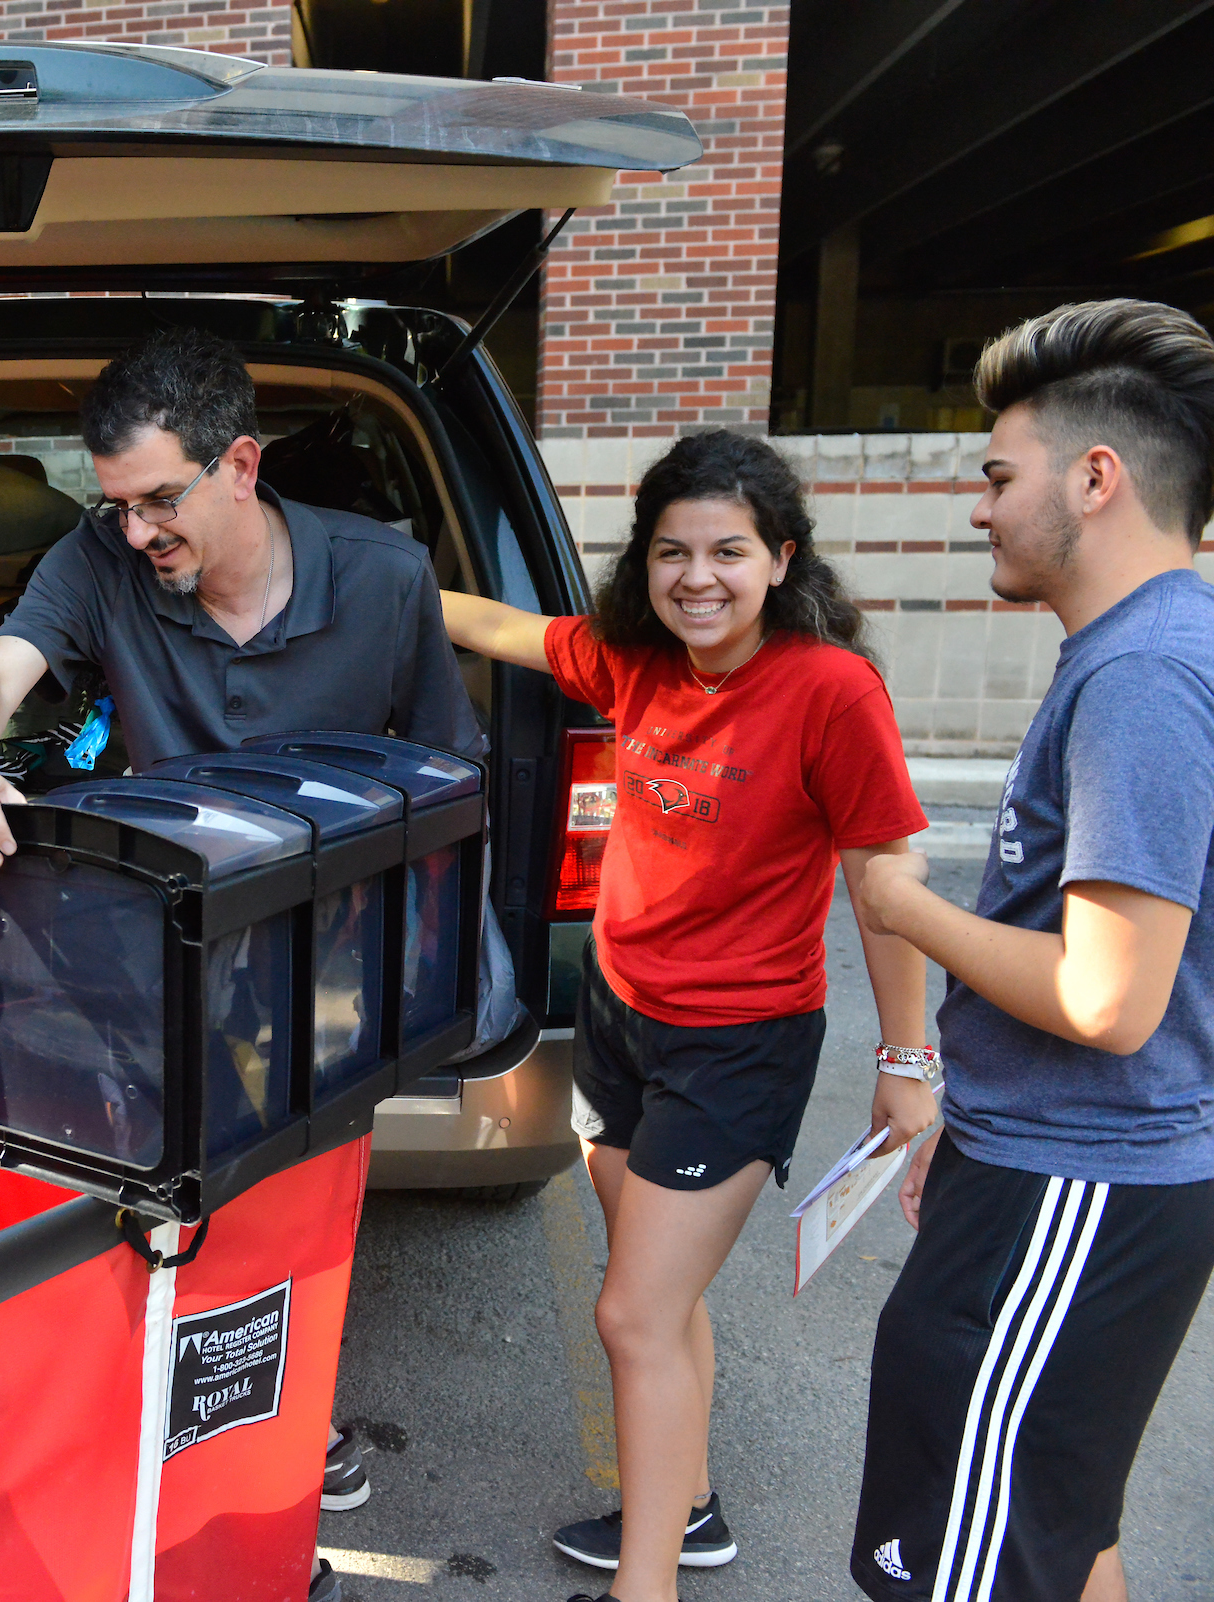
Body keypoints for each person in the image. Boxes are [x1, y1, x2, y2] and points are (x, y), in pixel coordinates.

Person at [0, 326, 482, 1593]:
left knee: (307, 1209)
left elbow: (444, 774)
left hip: (330, 971)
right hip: (162, 962)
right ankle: (171, 1438)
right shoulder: (100, 565)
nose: (139, 532)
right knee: (158, 1203)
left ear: (241, 465)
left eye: (162, 499)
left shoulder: (383, 578)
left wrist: (424, 969)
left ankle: (292, 1422)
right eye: (117, 505)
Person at [438, 429, 936, 1602]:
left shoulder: (829, 690)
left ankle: (645, 1586)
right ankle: (688, 1507)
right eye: (672, 553)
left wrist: (908, 1059)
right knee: (656, 1303)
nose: (696, 578)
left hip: (740, 1045)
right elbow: (507, 630)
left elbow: (887, 887)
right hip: (621, 1016)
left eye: (727, 552)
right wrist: (367, 569)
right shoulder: (638, 661)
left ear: (781, 558)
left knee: (630, 1313)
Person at [848, 300, 1214, 1602]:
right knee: (1057, 1544)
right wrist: (980, 1100)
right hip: (1072, 1171)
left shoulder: (1142, 678)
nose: (980, 508)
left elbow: (1110, 997)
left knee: (965, 1571)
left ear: (1095, 476)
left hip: (1072, 1191)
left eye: (999, 475)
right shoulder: (1150, 652)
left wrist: (906, 903)